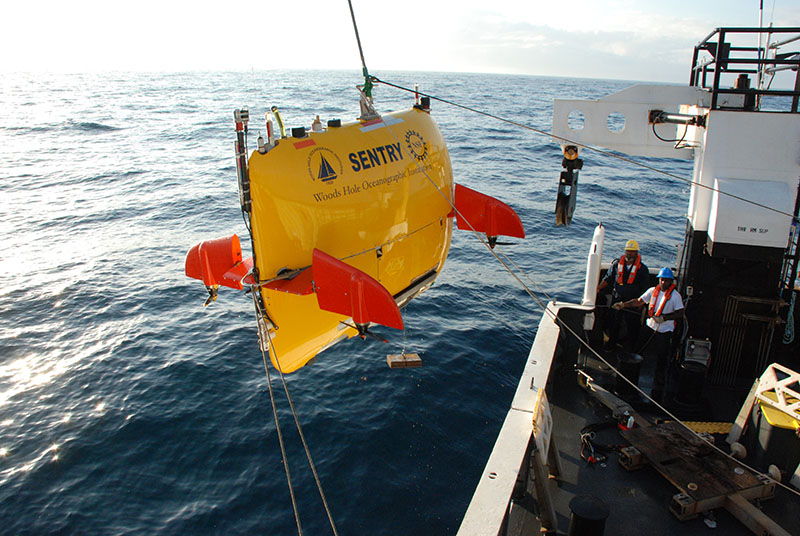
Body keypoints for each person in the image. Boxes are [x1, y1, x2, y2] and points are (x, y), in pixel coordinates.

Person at [613, 267, 684, 392]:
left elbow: (680, 313)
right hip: (650, 326)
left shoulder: (675, 296)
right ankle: (632, 373)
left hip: (665, 330)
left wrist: (665, 318)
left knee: (662, 355)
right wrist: (623, 304)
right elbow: (638, 301)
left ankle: (659, 378)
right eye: (662, 280)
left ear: (671, 282)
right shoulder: (652, 291)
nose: (663, 283)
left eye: (667, 280)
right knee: (638, 348)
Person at [597, 239, 649, 349]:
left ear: (636, 253)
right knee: (614, 322)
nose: (629, 253)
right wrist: (598, 288)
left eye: (632, 251)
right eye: (628, 251)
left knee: (633, 325)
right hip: (617, 298)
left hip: (632, 302)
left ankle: (631, 348)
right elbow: (608, 278)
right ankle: (611, 344)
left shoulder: (643, 269)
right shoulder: (616, 265)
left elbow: (644, 288)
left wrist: (640, 304)